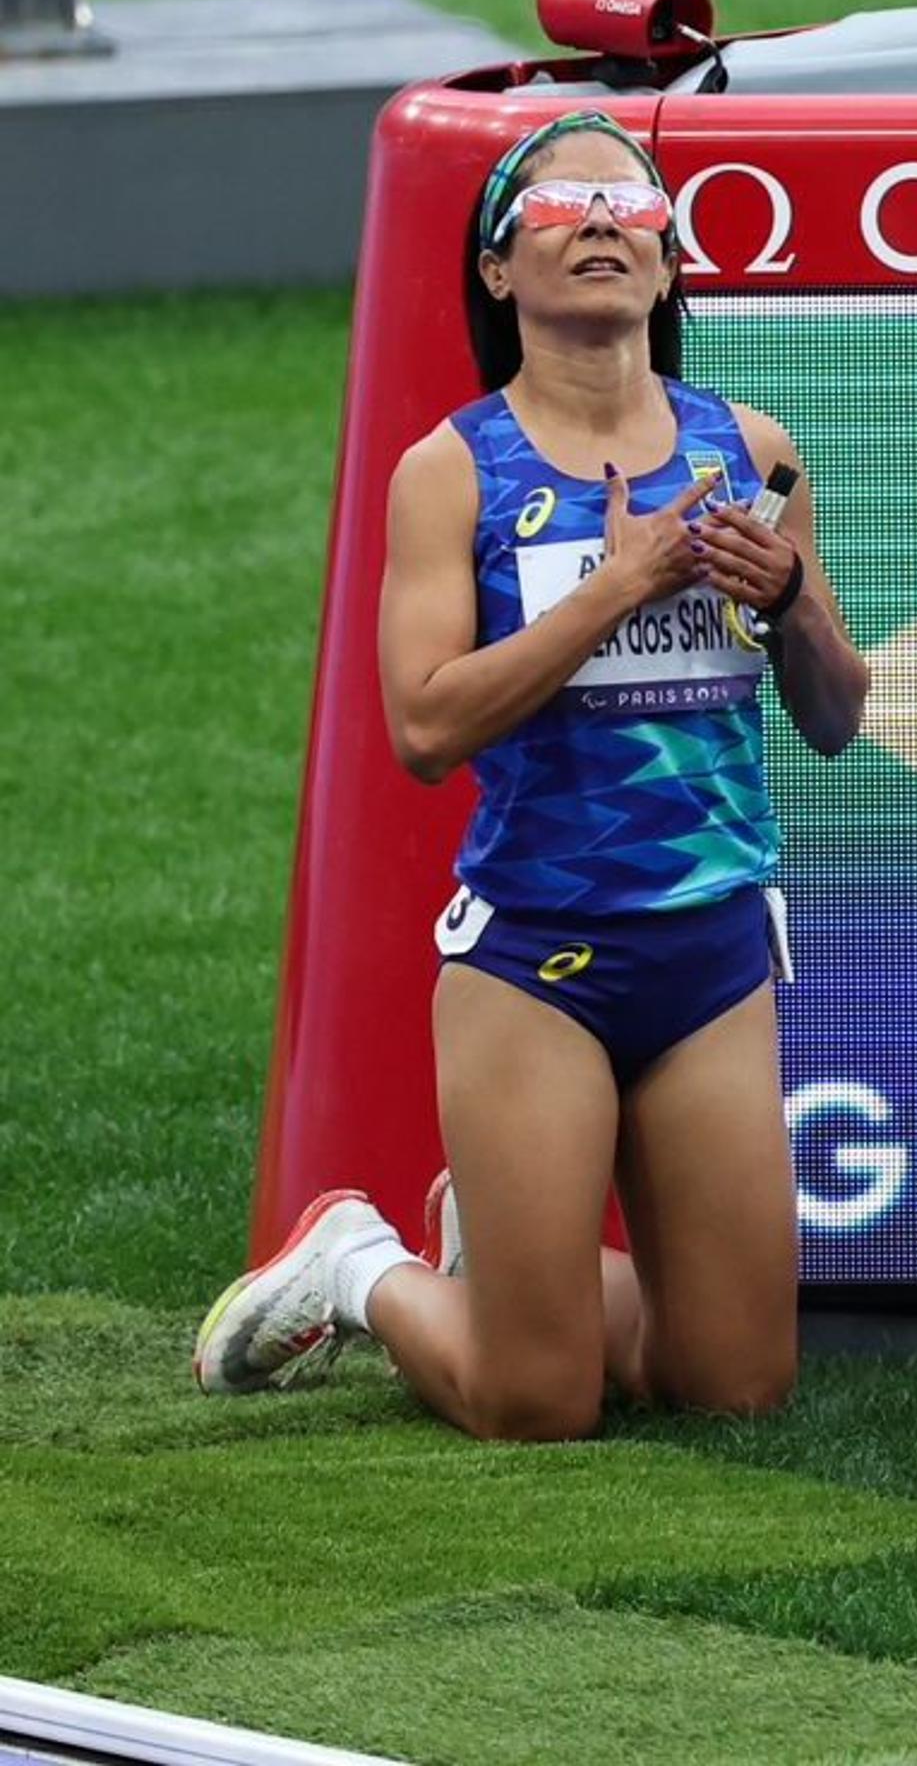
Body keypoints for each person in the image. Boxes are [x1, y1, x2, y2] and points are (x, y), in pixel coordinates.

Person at [192, 111, 868, 1439]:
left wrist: (791, 598)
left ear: (670, 267)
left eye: (630, 205)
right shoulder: (453, 472)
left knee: (736, 1387)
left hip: (713, 953)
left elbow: (837, 716)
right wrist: (617, 588)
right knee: (534, 1404)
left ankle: (495, 1256)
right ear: (501, 272)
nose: (604, 222)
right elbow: (426, 726)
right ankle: (363, 1266)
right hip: (537, 959)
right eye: (562, 208)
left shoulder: (753, 450)